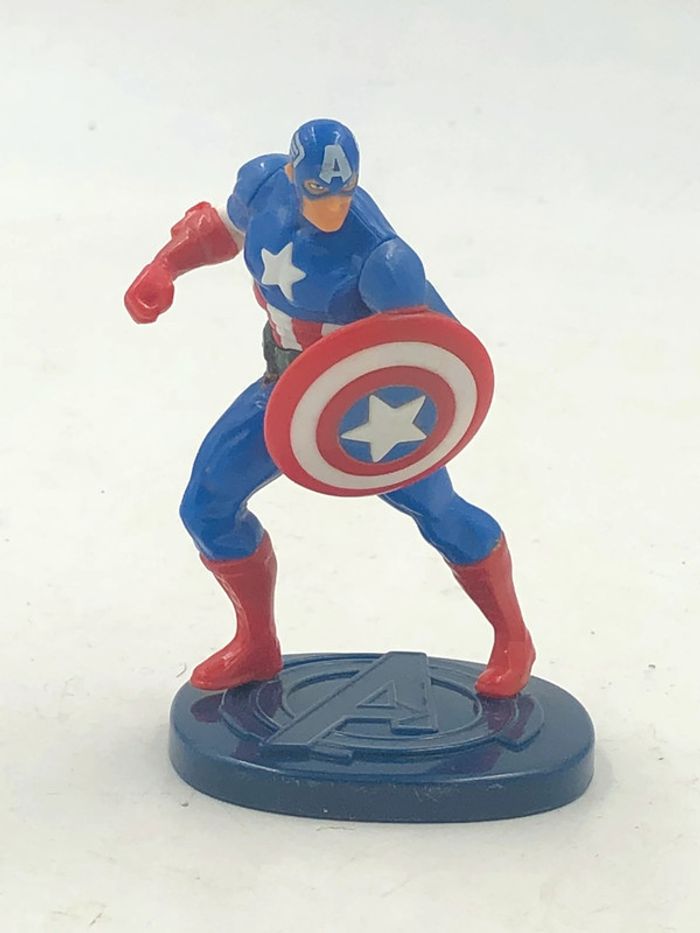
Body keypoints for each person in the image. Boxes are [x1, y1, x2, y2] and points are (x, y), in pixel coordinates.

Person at [124, 119, 535, 697]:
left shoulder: (384, 260)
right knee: (207, 505)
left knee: (441, 512)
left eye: (344, 191)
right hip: (283, 390)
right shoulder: (262, 184)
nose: (333, 207)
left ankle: (514, 638)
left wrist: (406, 425)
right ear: (294, 174)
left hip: (371, 416)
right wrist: (164, 266)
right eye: (319, 191)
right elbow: (219, 229)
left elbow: (437, 347)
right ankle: (257, 645)